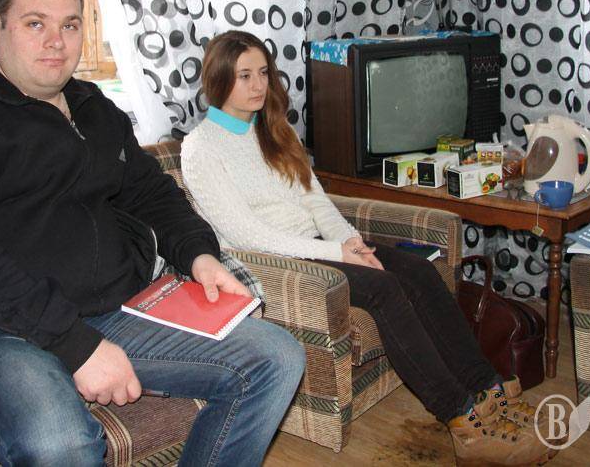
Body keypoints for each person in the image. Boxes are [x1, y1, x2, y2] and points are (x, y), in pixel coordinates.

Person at [0, 0, 305, 467]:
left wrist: (199, 255)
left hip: (113, 312)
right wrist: (76, 346)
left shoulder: (95, 108)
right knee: (61, 443)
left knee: (276, 357)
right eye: (35, 23)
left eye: (70, 25)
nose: (56, 41)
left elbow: (152, 193)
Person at [181, 30, 555, 467]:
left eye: (263, 72)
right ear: (219, 79)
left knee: (418, 271)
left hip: (321, 246)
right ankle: (463, 421)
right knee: (384, 288)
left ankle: (487, 393)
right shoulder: (201, 148)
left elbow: (315, 200)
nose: (259, 85)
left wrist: (349, 241)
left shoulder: (275, 130)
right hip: (281, 263)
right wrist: (339, 255)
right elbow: (246, 235)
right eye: (244, 75)